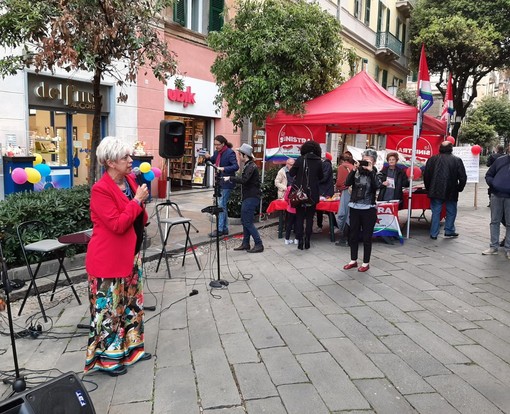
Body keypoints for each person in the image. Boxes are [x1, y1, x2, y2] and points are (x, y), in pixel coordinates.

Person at [84, 136, 150, 377]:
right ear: (111, 162)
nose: (131, 160)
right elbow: (117, 224)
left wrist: (140, 204)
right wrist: (137, 201)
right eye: (125, 157)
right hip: (108, 261)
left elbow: (137, 213)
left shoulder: (130, 180)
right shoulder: (100, 189)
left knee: (132, 306)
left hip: (131, 256)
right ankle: (107, 360)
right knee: (109, 311)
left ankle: (132, 349)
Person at [342, 149, 382, 272]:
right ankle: (353, 260)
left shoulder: (375, 173)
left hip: (368, 209)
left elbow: (378, 185)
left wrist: (371, 172)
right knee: (353, 235)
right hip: (354, 207)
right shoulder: (356, 172)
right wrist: (354, 169)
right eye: (364, 160)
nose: (365, 163)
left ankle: (365, 263)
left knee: (366, 237)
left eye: (368, 161)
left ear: (373, 163)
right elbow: (347, 183)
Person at [423, 141, 467, 240]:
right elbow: (463, 177)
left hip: (435, 189)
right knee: (451, 211)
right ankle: (449, 230)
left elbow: (426, 176)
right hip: (451, 190)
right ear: (451, 148)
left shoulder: (432, 159)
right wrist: (460, 188)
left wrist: (428, 188)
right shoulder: (457, 160)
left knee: (436, 212)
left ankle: (434, 233)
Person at [225, 144, 264, 253]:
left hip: (251, 198)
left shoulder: (251, 166)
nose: (238, 156)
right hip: (249, 197)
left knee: (247, 222)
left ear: (244, 155)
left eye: (239, 154)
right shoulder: (249, 165)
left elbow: (244, 180)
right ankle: (246, 243)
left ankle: (259, 244)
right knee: (245, 221)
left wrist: (230, 178)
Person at [289, 141, 324, 250]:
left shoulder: (300, 159)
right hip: (312, 194)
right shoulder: (319, 161)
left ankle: (299, 241)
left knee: (299, 217)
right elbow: (321, 176)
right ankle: (307, 240)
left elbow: (291, 174)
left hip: (300, 193)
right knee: (310, 218)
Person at [205, 135, 239, 237]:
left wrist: (224, 168)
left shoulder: (230, 152)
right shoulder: (217, 153)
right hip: (219, 182)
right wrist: (208, 158)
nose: (216, 146)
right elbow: (213, 160)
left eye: (218, 145)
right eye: (215, 144)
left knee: (221, 205)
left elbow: (235, 166)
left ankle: (219, 229)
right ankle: (224, 228)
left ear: (223, 144)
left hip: (227, 182)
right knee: (222, 205)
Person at [483, 145, 510, 259]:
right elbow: (489, 175)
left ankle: (508, 248)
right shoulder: (500, 161)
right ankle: (493, 246)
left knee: (509, 223)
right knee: (494, 221)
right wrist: (494, 184)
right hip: (496, 195)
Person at [335, 152, 355, 246]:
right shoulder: (353, 167)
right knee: (349, 214)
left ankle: (343, 237)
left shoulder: (342, 167)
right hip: (354, 192)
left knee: (342, 214)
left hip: (347, 191)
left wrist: (338, 188)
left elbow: (340, 182)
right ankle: (349, 237)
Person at [315, 152, 335, 232]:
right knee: (322, 209)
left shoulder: (326, 165)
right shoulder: (327, 165)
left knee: (327, 209)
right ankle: (321, 226)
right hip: (324, 190)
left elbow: (324, 177)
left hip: (325, 191)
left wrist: (316, 180)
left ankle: (332, 226)